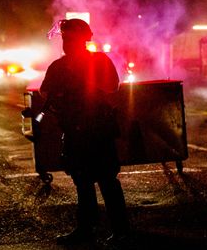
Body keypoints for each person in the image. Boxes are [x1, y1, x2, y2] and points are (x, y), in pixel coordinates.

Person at [40, 18, 130, 247]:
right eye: (65, 38)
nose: (66, 43)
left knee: (107, 181)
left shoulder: (97, 61)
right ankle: (87, 229)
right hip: (75, 131)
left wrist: (86, 88)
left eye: (70, 39)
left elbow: (112, 87)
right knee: (82, 181)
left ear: (82, 40)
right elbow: (45, 92)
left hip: (97, 131)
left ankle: (121, 232)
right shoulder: (59, 66)